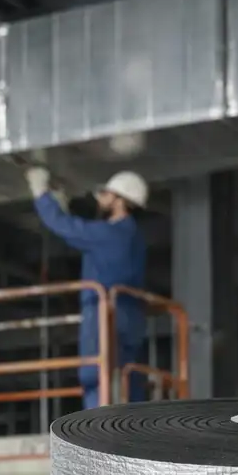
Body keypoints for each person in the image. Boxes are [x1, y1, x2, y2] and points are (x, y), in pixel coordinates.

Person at [25, 166, 149, 409]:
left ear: (120, 200)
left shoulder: (109, 234)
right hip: (131, 314)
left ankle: (98, 434)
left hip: (103, 312)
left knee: (97, 375)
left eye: (107, 194)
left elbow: (64, 227)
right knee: (127, 377)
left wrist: (41, 193)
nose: (101, 198)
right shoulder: (133, 236)